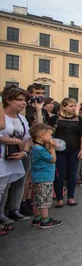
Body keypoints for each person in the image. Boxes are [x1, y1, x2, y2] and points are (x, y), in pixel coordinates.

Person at [0, 86, 33, 230]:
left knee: (8, 185)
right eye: (19, 100)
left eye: (25, 100)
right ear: (8, 100)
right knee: (1, 188)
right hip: (2, 156)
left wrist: (24, 152)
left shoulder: (22, 118)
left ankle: (12, 211)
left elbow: (28, 137)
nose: (23, 103)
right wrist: (17, 142)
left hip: (16, 157)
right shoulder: (3, 117)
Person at [48, 98, 82, 208]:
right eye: (71, 106)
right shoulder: (55, 119)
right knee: (59, 175)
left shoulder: (79, 119)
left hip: (74, 150)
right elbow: (48, 134)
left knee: (72, 174)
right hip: (59, 151)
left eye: (74, 106)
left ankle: (71, 197)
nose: (73, 108)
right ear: (63, 107)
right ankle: (59, 198)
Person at [29, 123, 63, 228]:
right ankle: (45, 220)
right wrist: (52, 149)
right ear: (42, 135)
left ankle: (37, 218)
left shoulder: (36, 148)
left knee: (37, 199)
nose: (51, 137)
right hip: (44, 177)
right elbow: (52, 159)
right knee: (44, 199)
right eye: (50, 135)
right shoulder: (39, 149)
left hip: (37, 177)